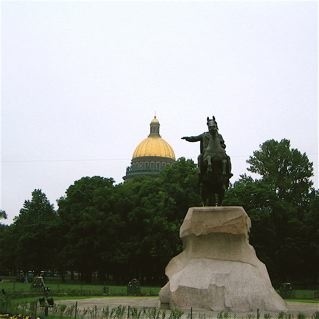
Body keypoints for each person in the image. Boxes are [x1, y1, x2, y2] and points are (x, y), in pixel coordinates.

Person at [182, 116, 232, 181]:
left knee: (227, 158)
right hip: (206, 152)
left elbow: (222, 143)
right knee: (200, 157)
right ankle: (200, 172)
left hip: (218, 151)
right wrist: (188, 138)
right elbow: (195, 138)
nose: (212, 128)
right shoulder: (204, 135)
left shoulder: (219, 135)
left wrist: (223, 145)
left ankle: (228, 172)